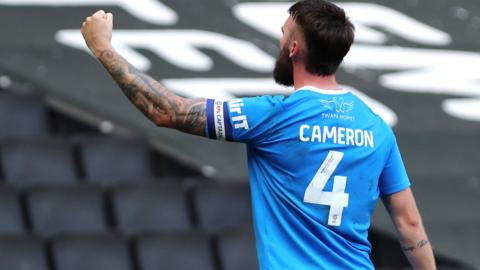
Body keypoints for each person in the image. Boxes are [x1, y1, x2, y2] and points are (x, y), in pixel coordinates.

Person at [80, 0, 436, 269]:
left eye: (283, 34)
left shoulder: (275, 116)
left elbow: (165, 110)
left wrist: (103, 49)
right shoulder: (376, 128)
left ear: (294, 49)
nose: (280, 40)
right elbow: (410, 223)